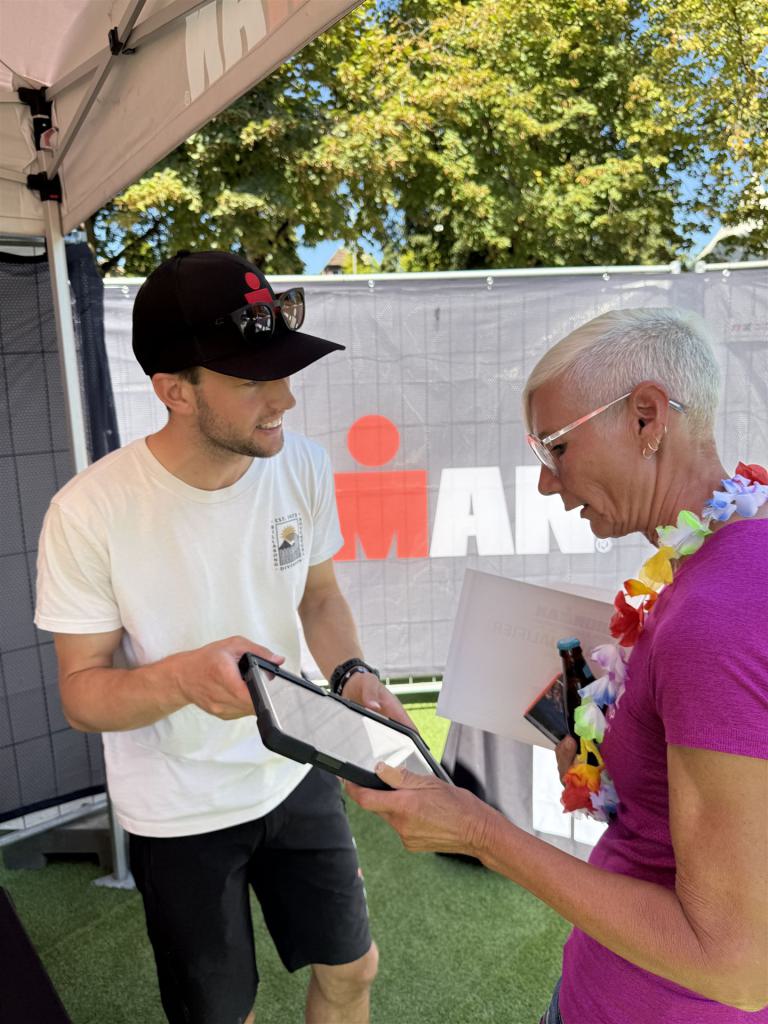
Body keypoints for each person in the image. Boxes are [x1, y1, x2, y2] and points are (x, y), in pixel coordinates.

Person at [346, 308, 768, 1023]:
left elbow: (736, 964)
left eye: (557, 447)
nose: (547, 483)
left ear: (646, 418)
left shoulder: (715, 613)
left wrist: (481, 833)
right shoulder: (728, 552)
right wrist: (613, 769)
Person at [34, 250, 413, 1024]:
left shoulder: (301, 466)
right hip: (177, 809)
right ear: (174, 391)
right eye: (251, 378)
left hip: (296, 766)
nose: (285, 398)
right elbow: (81, 694)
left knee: (353, 969)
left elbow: (319, 596)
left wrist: (351, 671)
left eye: (283, 369)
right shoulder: (87, 512)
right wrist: (181, 679)